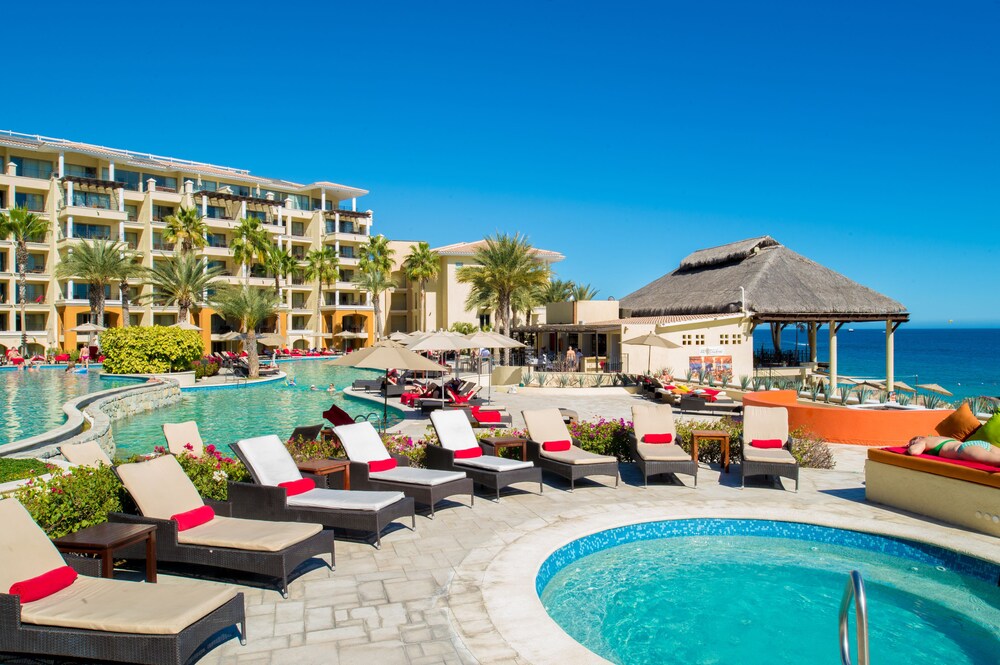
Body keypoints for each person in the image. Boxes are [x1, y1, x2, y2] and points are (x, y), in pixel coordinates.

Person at [906, 435, 1000, 466]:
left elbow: (914, 451)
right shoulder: (939, 437)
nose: (912, 444)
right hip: (978, 444)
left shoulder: (924, 440)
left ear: (918, 438)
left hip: (963, 449)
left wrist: (911, 446)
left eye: (912, 442)